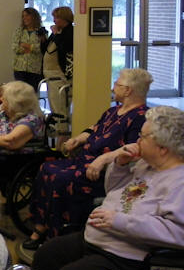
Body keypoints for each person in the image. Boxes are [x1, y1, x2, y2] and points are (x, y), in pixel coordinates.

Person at [18, 106, 184, 270]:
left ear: (162, 147)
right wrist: (120, 164)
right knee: (47, 254)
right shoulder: (145, 165)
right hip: (100, 239)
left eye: (143, 136)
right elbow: (113, 191)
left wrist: (120, 221)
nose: (136, 140)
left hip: (128, 257)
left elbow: (176, 233)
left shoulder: (179, 182)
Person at [23, 68, 151, 252]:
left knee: (60, 179)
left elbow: (133, 148)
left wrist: (103, 159)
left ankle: (55, 237)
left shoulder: (141, 117)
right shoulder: (113, 111)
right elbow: (94, 129)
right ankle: (41, 226)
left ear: (128, 90)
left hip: (106, 172)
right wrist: (77, 139)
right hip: (84, 161)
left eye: (117, 84)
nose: (113, 87)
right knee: (46, 168)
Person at [43, 6, 74, 133]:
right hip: (50, 75)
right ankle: (59, 133)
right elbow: (46, 48)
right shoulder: (58, 32)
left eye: (56, 17)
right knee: (54, 106)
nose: (54, 20)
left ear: (64, 18)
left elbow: (64, 48)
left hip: (60, 76)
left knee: (60, 107)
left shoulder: (70, 32)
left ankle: (62, 134)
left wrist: (56, 34)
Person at [11, 7, 48, 91]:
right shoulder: (19, 31)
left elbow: (42, 48)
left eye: (27, 15)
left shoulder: (41, 32)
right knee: (20, 93)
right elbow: (15, 48)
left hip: (35, 69)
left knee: (32, 93)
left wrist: (27, 46)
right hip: (19, 68)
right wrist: (31, 48)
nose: (25, 18)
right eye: (23, 16)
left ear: (34, 16)